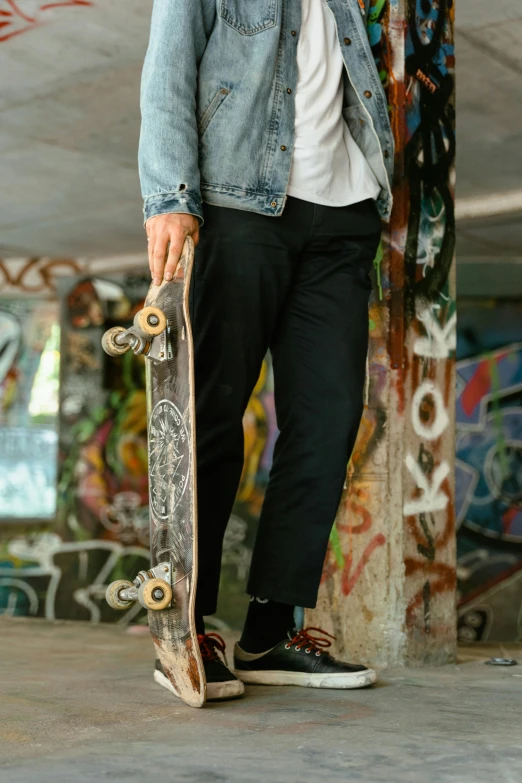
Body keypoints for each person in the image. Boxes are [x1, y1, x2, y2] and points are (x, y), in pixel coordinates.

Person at [140, 0, 394, 701]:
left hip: (341, 216)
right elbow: (167, 68)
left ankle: (269, 630)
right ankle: (184, 628)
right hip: (239, 204)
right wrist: (169, 193)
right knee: (211, 418)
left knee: (330, 416)